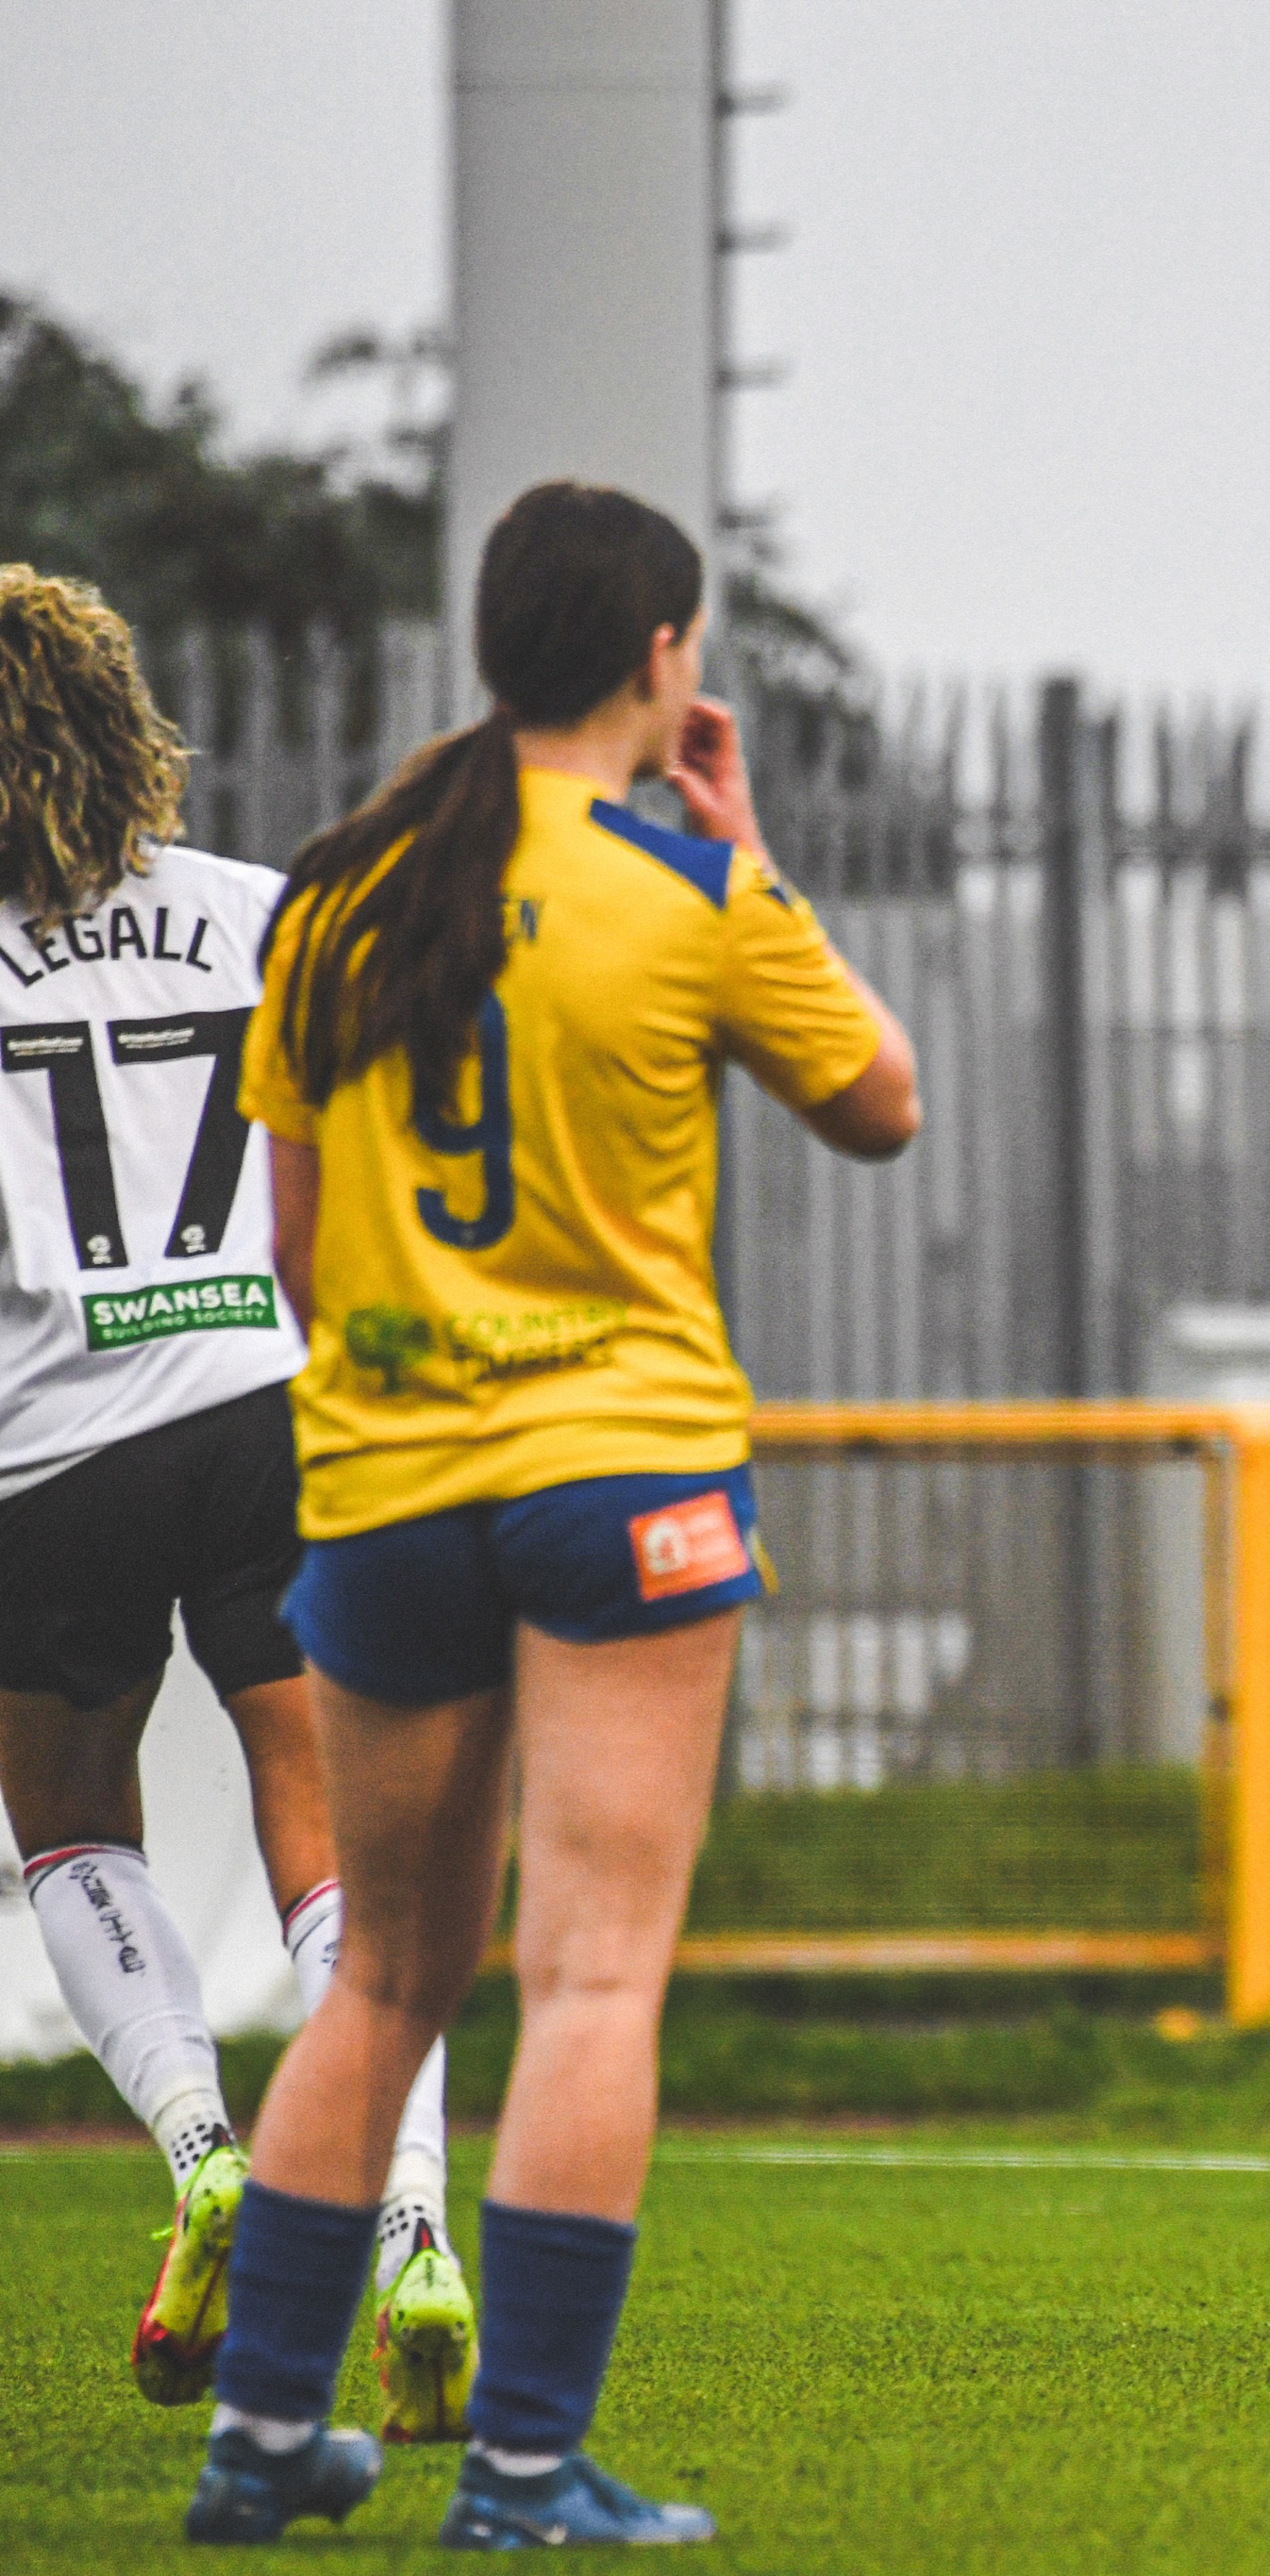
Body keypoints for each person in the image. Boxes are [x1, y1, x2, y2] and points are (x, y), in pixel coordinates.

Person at [181, 480, 921, 2546]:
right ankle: (517, 2474)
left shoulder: (339, 895)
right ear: (661, 657)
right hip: (621, 1478)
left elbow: (305, 1255)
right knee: (592, 1981)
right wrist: (741, 844)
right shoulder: (674, 884)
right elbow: (881, 1101)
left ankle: (261, 2446)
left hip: (389, 1480)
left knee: (386, 1979)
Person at [0, 565, 466, 2434]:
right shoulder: (263, 917)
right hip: (277, 1408)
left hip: (48, 1450)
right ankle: (413, 2228)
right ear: (131, 725)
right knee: (344, 1836)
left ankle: (205, 2150)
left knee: (64, 1814)